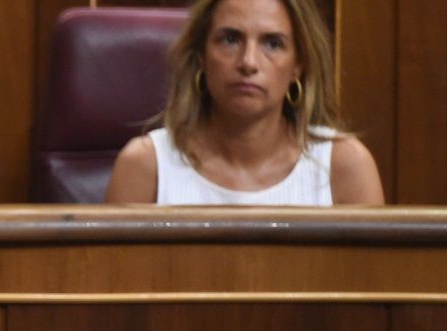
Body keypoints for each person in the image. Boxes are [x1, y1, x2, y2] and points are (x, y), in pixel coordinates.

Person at [105, 0, 383, 206]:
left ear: (298, 65)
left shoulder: (345, 166)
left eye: (272, 44)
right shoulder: (145, 166)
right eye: (230, 39)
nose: (249, 62)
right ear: (201, 55)